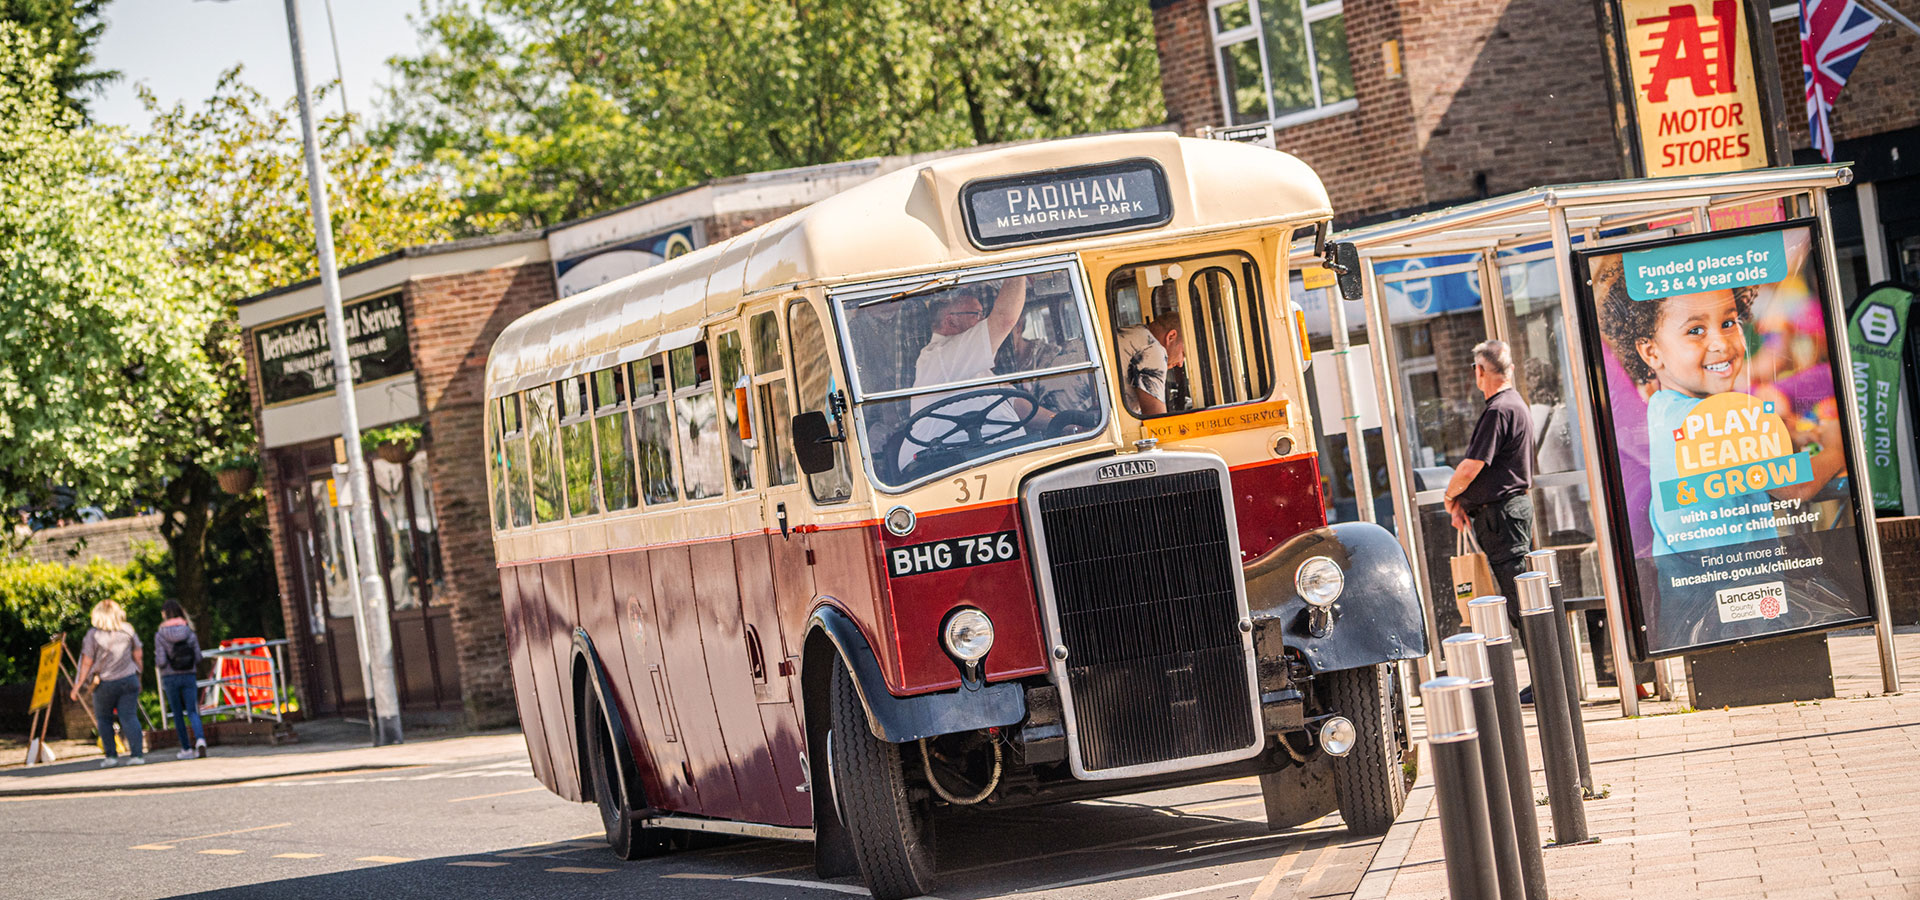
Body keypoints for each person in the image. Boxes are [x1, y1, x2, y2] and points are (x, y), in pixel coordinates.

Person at [1443, 340, 1535, 644]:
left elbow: (1470, 468)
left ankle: (1542, 671)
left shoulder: (1498, 410)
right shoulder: (1515, 404)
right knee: (1521, 598)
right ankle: (1541, 668)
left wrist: (1450, 497)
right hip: (1508, 514)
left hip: (1502, 518)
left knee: (1520, 602)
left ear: (1480, 370)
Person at [898, 276, 1034, 469]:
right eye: (976, 314)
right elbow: (1005, 320)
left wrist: (1060, 421)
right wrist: (1017, 271)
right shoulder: (941, 357)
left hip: (991, 455)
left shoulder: (969, 363)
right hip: (945, 465)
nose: (983, 321)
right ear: (951, 321)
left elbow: (1018, 404)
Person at [70, 599, 145, 767]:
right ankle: (137, 755)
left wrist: (77, 686)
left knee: (104, 719)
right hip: (128, 679)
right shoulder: (127, 629)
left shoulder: (93, 635)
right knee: (129, 717)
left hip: (105, 683)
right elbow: (138, 655)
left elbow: (87, 662)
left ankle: (111, 757)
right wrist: (138, 675)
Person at [154, 600, 207, 760]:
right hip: (189, 675)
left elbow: (161, 661)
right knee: (192, 711)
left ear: (164, 614)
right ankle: (200, 740)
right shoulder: (188, 631)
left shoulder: (160, 635)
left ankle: (186, 749)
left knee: (177, 714)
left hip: (170, 677)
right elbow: (198, 656)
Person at [1114, 313, 1185, 416]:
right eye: (1183, 353)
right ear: (1171, 336)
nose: (1180, 364)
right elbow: (1156, 417)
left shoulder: (1137, 332)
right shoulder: (1152, 349)